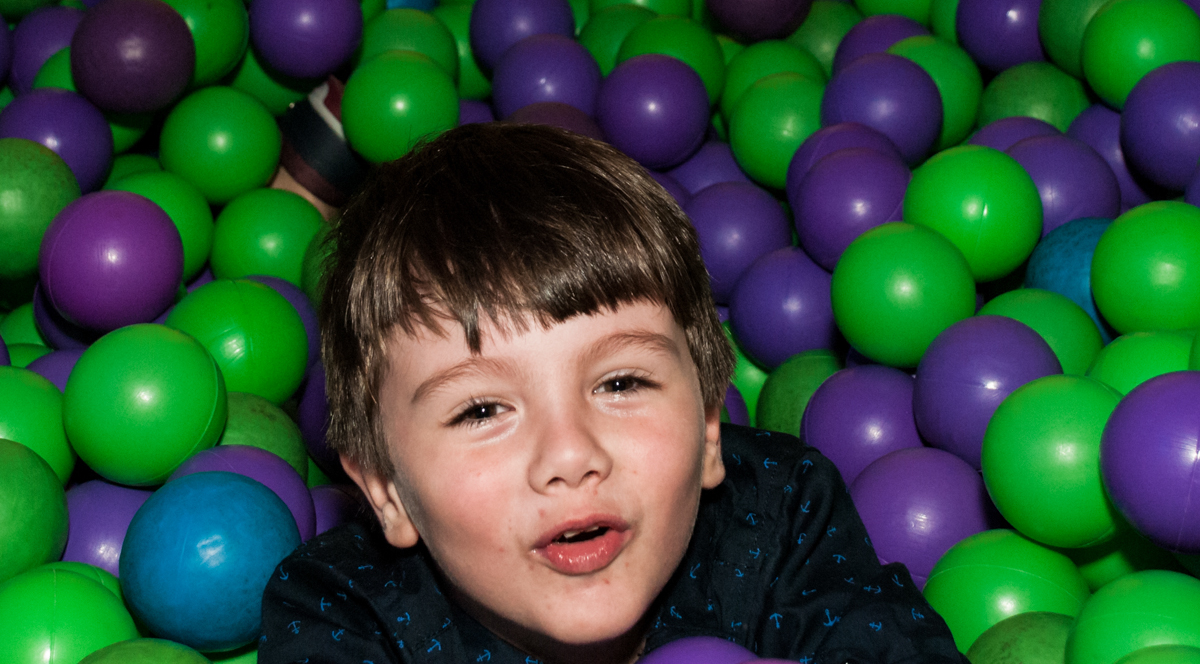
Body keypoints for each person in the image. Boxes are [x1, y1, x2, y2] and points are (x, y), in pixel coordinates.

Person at [258, 122, 967, 664]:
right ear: (386, 489)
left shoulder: (778, 509)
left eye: (621, 381)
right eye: (482, 409)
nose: (570, 453)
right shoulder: (341, 607)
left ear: (711, 425)